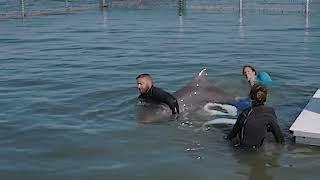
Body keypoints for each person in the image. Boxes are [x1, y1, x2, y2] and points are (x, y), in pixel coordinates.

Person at [227, 84, 284, 149]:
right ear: (265, 97)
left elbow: (232, 135)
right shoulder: (270, 112)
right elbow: (280, 138)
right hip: (259, 148)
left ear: (251, 96)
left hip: (242, 149)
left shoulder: (245, 113)